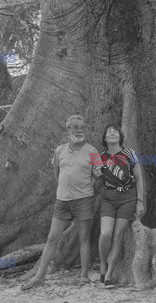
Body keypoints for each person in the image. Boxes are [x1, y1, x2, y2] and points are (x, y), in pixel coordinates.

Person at [21, 115, 102, 290]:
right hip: (62, 200)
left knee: (84, 238)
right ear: (68, 130)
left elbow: (99, 176)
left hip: (84, 200)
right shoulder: (59, 151)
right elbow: (57, 172)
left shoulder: (92, 151)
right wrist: (64, 187)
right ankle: (39, 276)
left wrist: (90, 191)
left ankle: (83, 277)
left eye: (82, 127)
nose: (79, 130)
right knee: (52, 237)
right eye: (75, 127)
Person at [96, 124, 145, 288]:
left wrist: (140, 201)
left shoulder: (129, 153)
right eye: (108, 131)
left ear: (120, 136)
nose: (112, 132)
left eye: (115, 131)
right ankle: (103, 264)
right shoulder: (100, 157)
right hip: (108, 198)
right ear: (104, 138)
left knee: (117, 236)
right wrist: (95, 176)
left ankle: (109, 273)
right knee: (105, 234)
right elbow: (95, 182)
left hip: (128, 198)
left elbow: (139, 179)